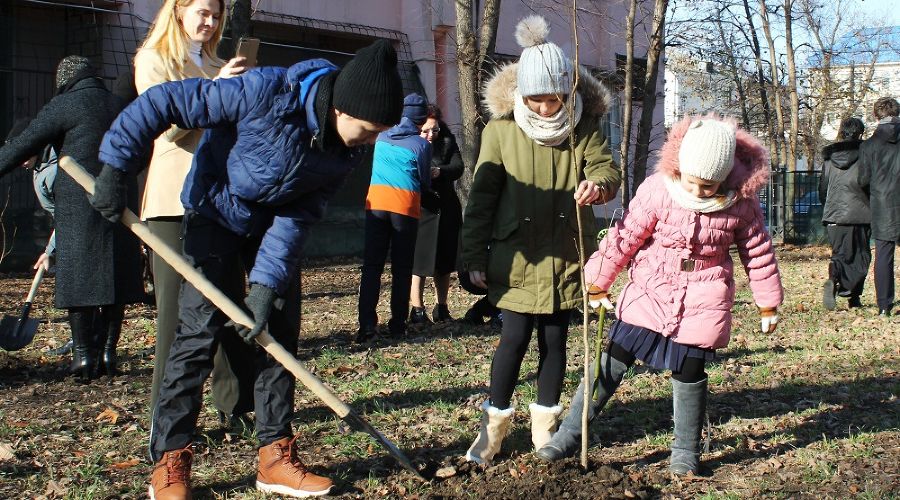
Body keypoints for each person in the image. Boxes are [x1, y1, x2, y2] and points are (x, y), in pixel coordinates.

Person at [90, 39, 403, 499]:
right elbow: (163, 102)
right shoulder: (264, 91)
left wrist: (264, 285)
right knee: (197, 334)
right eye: (370, 129)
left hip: (270, 227)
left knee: (278, 331)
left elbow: (299, 211)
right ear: (341, 108)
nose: (372, 141)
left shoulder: (344, 151)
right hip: (214, 213)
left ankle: (274, 456)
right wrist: (117, 167)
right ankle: (171, 459)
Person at [536, 115, 784, 476]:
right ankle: (571, 433)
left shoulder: (740, 203)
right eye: (692, 181)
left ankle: (685, 450)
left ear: (726, 176)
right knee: (614, 357)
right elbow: (625, 236)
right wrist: (598, 281)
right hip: (650, 290)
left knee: (690, 369)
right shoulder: (659, 190)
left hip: (704, 297)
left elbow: (758, 253)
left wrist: (768, 302)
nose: (698, 191)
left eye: (709, 185)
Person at [460, 15, 621, 465]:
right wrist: (472, 256)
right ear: (521, 95)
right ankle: (492, 429)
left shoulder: (584, 128)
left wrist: (599, 187)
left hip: (567, 254)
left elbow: (606, 171)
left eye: (555, 99)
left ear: (568, 93)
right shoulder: (500, 131)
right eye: (537, 100)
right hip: (517, 258)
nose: (547, 109)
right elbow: (481, 200)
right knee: (513, 338)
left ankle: (544, 429)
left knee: (555, 341)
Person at [134, 0, 253, 422]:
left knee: (229, 304)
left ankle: (235, 407)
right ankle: (167, 419)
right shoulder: (154, 60)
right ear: (178, 10)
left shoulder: (217, 64)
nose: (210, 22)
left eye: (216, 16)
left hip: (220, 200)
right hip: (172, 201)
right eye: (202, 12)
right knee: (175, 313)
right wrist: (215, 92)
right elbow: (164, 125)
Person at [0, 56, 144, 380]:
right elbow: (142, 147)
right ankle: (108, 353)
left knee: (80, 279)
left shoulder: (65, 104)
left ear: (64, 80)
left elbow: (22, 145)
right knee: (115, 277)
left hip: (80, 203)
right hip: (118, 198)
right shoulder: (118, 105)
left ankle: (83, 357)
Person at [356, 93, 432, 342]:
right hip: (404, 206)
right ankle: (398, 324)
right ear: (420, 120)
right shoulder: (421, 145)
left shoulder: (381, 136)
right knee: (402, 268)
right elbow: (424, 180)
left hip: (376, 204)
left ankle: (367, 326)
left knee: (372, 266)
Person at [408, 104, 464, 324]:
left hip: (447, 207)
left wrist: (440, 171)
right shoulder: (409, 143)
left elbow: (458, 167)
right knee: (419, 261)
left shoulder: (448, 142)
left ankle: (442, 307)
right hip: (422, 207)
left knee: (445, 261)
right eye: (426, 130)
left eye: (435, 130)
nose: (431, 134)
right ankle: (417, 309)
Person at [819, 117, 870, 310]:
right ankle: (853, 298)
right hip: (861, 213)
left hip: (834, 214)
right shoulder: (866, 156)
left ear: (842, 132)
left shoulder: (829, 159)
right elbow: (868, 184)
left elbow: (823, 188)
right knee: (860, 256)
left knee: (839, 254)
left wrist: (829, 206)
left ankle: (833, 279)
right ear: (860, 134)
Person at [859, 97, 900, 318]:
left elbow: (863, 180)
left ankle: (884, 305)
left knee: (884, 255)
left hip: (883, 204)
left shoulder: (868, 146)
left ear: (876, 116)